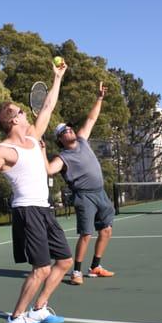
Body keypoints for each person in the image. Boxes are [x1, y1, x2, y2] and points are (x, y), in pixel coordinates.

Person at [0, 61, 72, 323]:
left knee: (64, 262)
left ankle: (39, 308)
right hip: (27, 212)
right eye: (21, 111)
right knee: (41, 269)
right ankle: (15, 317)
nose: (26, 113)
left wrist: (57, 77)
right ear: (13, 120)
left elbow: (47, 107)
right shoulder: (6, 150)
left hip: (45, 209)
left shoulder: (35, 138)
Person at [45, 82, 115, 286]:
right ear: (60, 139)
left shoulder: (83, 140)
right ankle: (76, 271)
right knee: (86, 234)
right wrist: (41, 150)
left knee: (107, 230)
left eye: (69, 128)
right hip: (84, 197)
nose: (69, 130)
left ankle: (95, 267)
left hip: (101, 193)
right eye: (64, 131)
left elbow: (92, 118)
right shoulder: (62, 157)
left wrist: (100, 97)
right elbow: (49, 170)